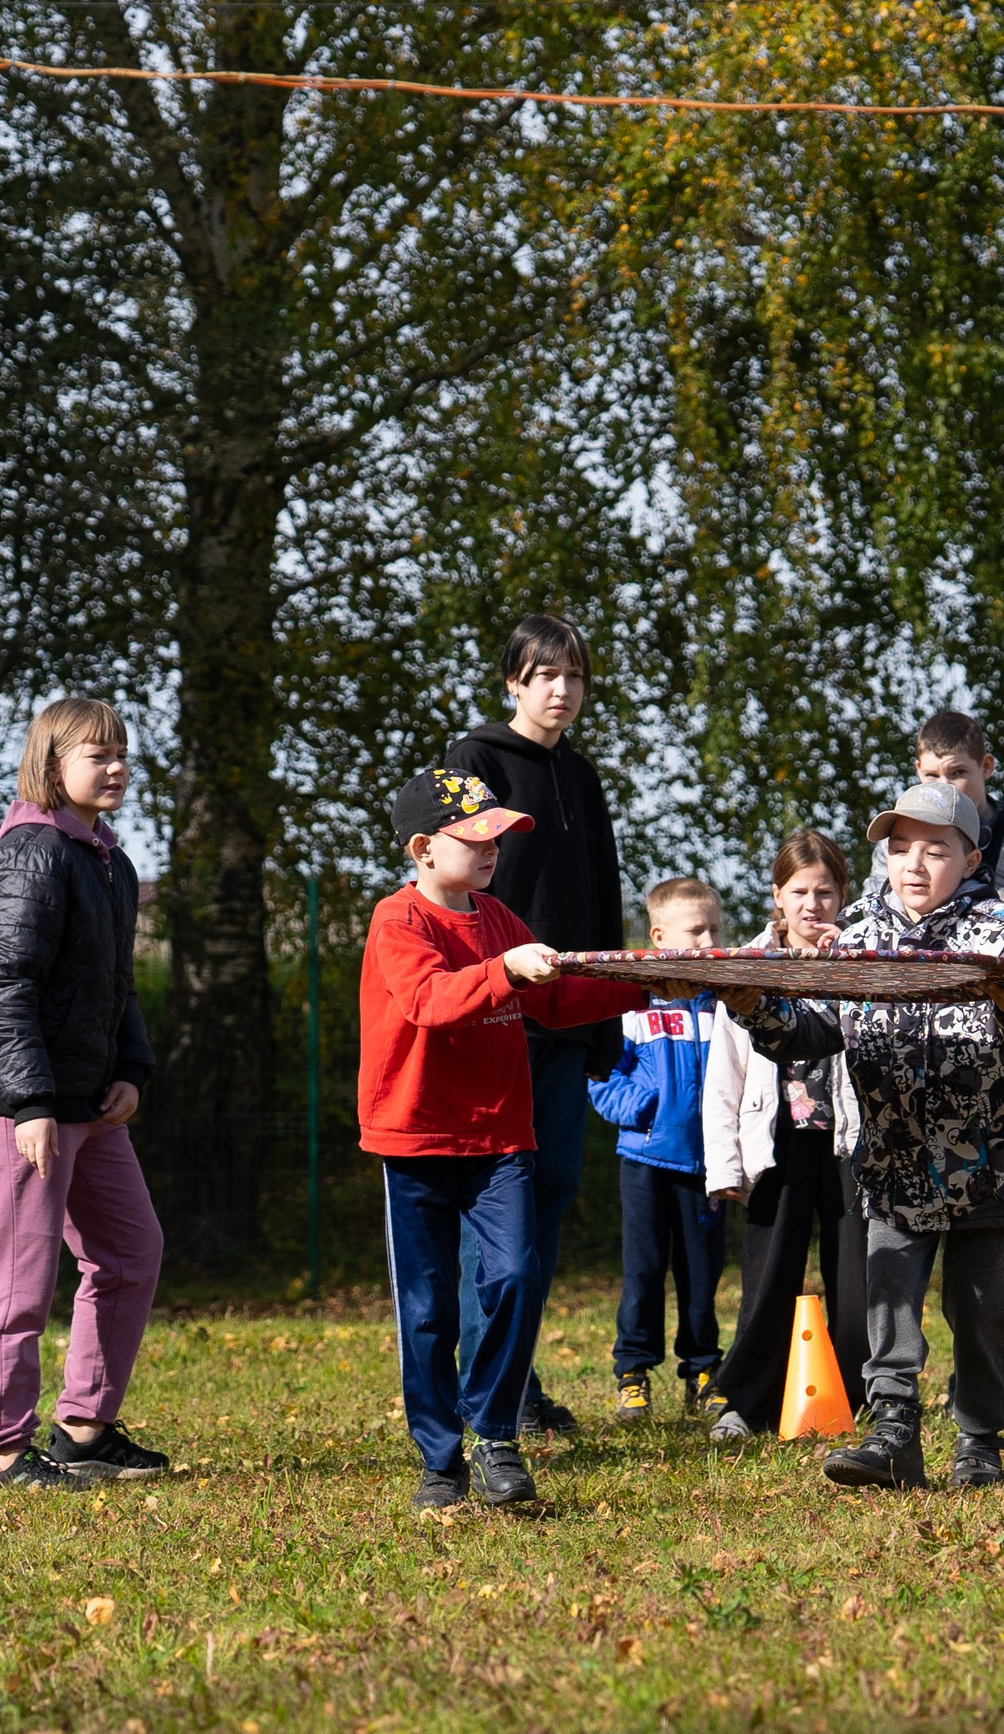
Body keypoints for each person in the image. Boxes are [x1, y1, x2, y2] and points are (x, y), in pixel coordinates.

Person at [727, 781, 1004, 1490]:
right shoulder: (855, 932)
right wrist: (755, 1007)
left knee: (978, 1313)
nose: (914, 863)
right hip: (891, 1161)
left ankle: (979, 1444)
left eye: (935, 849)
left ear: (971, 860)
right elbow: (813, 1031)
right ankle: (892, 1435)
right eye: (900, 847)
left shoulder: (1002, 927)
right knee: (887, 1299)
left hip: (989, 1161)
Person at [358, 767, 648, 1510]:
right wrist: (506, 972)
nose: (492, 849)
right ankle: (439, 1461)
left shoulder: (498, 918)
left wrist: (651, 983)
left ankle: (494, 1436)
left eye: (499, 836)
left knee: (516, 1276)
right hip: (415, 1138)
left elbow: (558, 1000)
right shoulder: (399, 921)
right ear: (423, 848)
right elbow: (429, 1000)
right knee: (427, 1309)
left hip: (499, 1139)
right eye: (475, 837)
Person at [0, 697, 168, 1494]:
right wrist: (32, 1102)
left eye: (121, 755)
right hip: (20, 1100)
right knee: (21, 1274)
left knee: (131, 1250)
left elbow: (115, 987)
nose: (115, 769)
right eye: (96, 756)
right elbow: (3, 985)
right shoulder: (33, 851)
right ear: (51, 765)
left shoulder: (109, 859)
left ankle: (82, 1429)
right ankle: (6, 1453)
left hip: (86, 1098)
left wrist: (132, 1071)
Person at [442, 614, 626, 1435]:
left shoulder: (582, 779)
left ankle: (514, 1378)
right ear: (512, 681)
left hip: (565, 1023)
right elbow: (451, 891)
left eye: (575, 677)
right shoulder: (475, 762)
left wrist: (605, 1025)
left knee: (547, 1199)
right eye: (545, 674)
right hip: (492, 1019)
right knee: (493, 1210)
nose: (561, 689)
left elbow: (603, 898)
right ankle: (491, 1395)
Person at [700, 830, 869, 1440]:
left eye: (825, 891)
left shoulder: (865, 959)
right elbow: (724, 1074)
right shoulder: (748, 968)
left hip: (852, 1141)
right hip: (776, 1144)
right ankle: (746, 1400)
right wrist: (723, 1164)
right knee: (770, 1276)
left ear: (844, 895)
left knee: (858, 1278)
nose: (812, 904)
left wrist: (844, 960)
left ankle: (863, 1396)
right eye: (799, 891)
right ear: (777, 896)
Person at [864, 711, 1004, 1121]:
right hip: (901, 1088)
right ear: (916, 771)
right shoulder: (890, 853)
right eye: (931, 776)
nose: (943, 787)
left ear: (986, 768)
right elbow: (871, 951)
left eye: (957, 773)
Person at [591, 878, 730, 1420]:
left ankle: (702, 1369)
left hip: (707, 1164)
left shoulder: (725, 1004)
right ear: (658, 937)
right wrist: (645, 1111)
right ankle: (632, 1371)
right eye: (695, 931)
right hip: (646, 1160)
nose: (707, 940)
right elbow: (601, 1076)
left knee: (702, 1275)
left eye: (714, 929)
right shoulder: (632, 1003)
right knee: (644, 1270)